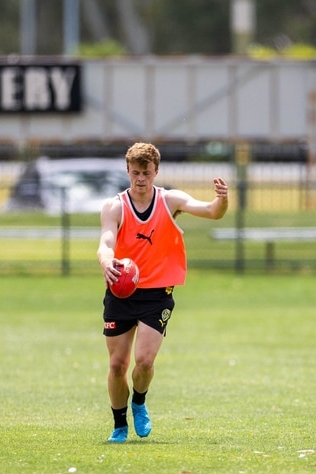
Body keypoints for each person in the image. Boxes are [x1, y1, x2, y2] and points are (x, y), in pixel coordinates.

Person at [97, 142, 229, 443]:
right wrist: (107, 262)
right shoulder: (114, 206)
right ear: (127, 171)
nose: (140, 178)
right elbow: (106, 241)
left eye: (145, 172)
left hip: (157, 294)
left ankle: (139, 402)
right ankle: (119, 425)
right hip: (120, 291)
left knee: (143, 361)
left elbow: (211, 212)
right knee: (117, 365)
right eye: (134, 173)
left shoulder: (170, 201)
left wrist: (221, 201)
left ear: (156, 171)